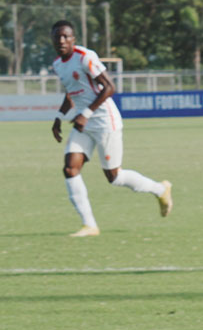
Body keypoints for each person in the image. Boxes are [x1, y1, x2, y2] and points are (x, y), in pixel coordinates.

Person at [48, 19, 172, 236]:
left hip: (105, 121)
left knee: (114, 177)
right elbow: (72, 91)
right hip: (83, 124)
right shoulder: (58, 64)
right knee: (70, 168)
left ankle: (160, 190)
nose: (61, 40)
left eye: (65, 36)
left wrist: (85, 114)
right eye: (57, 36)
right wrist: (59, 116)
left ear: (73, 38)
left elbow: (110, 87)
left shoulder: (85, 57)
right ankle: (90, 225)